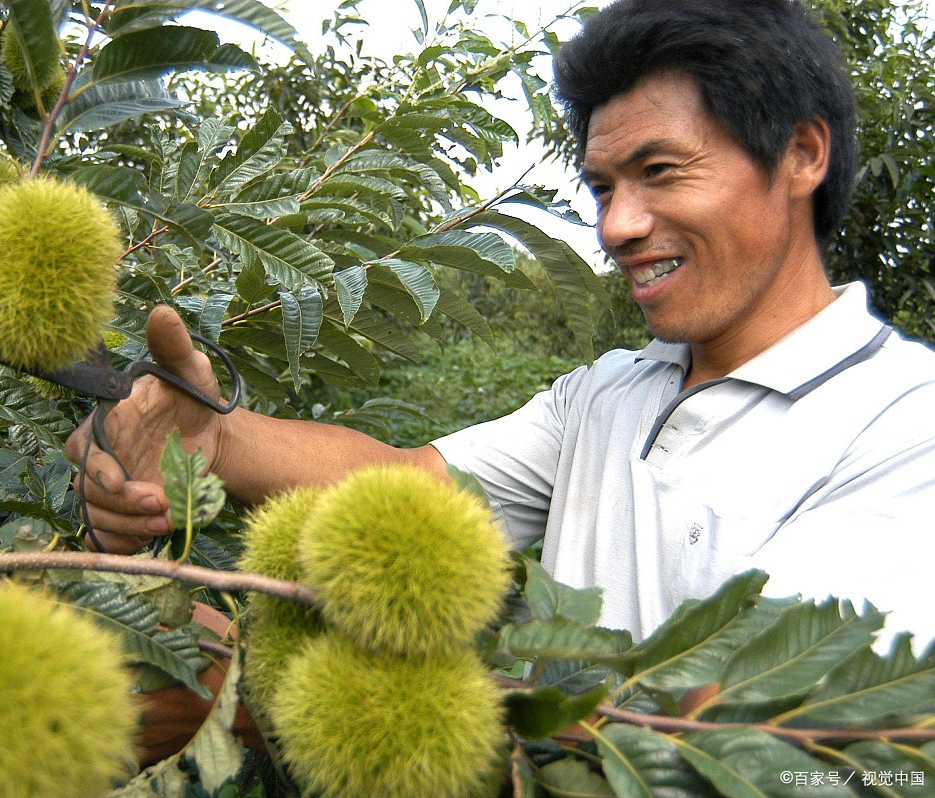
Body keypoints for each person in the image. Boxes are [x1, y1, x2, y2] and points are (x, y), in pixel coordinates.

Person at [68, 0, 935, 661]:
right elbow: (407, 483)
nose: (617, 227)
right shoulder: (610, 394)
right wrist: (208, 440)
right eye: (601, 190)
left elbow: (776, 748)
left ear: (802, 155)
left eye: (660, 172)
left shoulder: (905, 426)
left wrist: (254, 692)